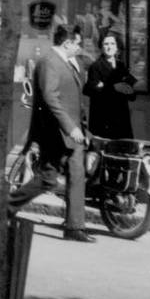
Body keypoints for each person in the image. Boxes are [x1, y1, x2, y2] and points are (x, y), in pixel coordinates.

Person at [9, 23, 94, 243]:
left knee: (76, 174)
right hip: (55, 132)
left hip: (71, 133)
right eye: (76, 43)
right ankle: (6, 207)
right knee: (48, 178)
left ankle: (75, 226)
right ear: (67, 43)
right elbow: (51, 98)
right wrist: (70, 127)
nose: (79, 47)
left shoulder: (66, 62)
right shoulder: (50, 63)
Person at [83, 31, 137, 139]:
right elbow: (90, 90)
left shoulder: (121, 66)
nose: (109, 47)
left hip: (121, 118)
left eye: (112, 44)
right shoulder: (96, 66)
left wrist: (130, 91)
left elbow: (131, 94)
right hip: (103, 118)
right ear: (101, 47)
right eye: (106, 44)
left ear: (117, 47)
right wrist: (114, 88)